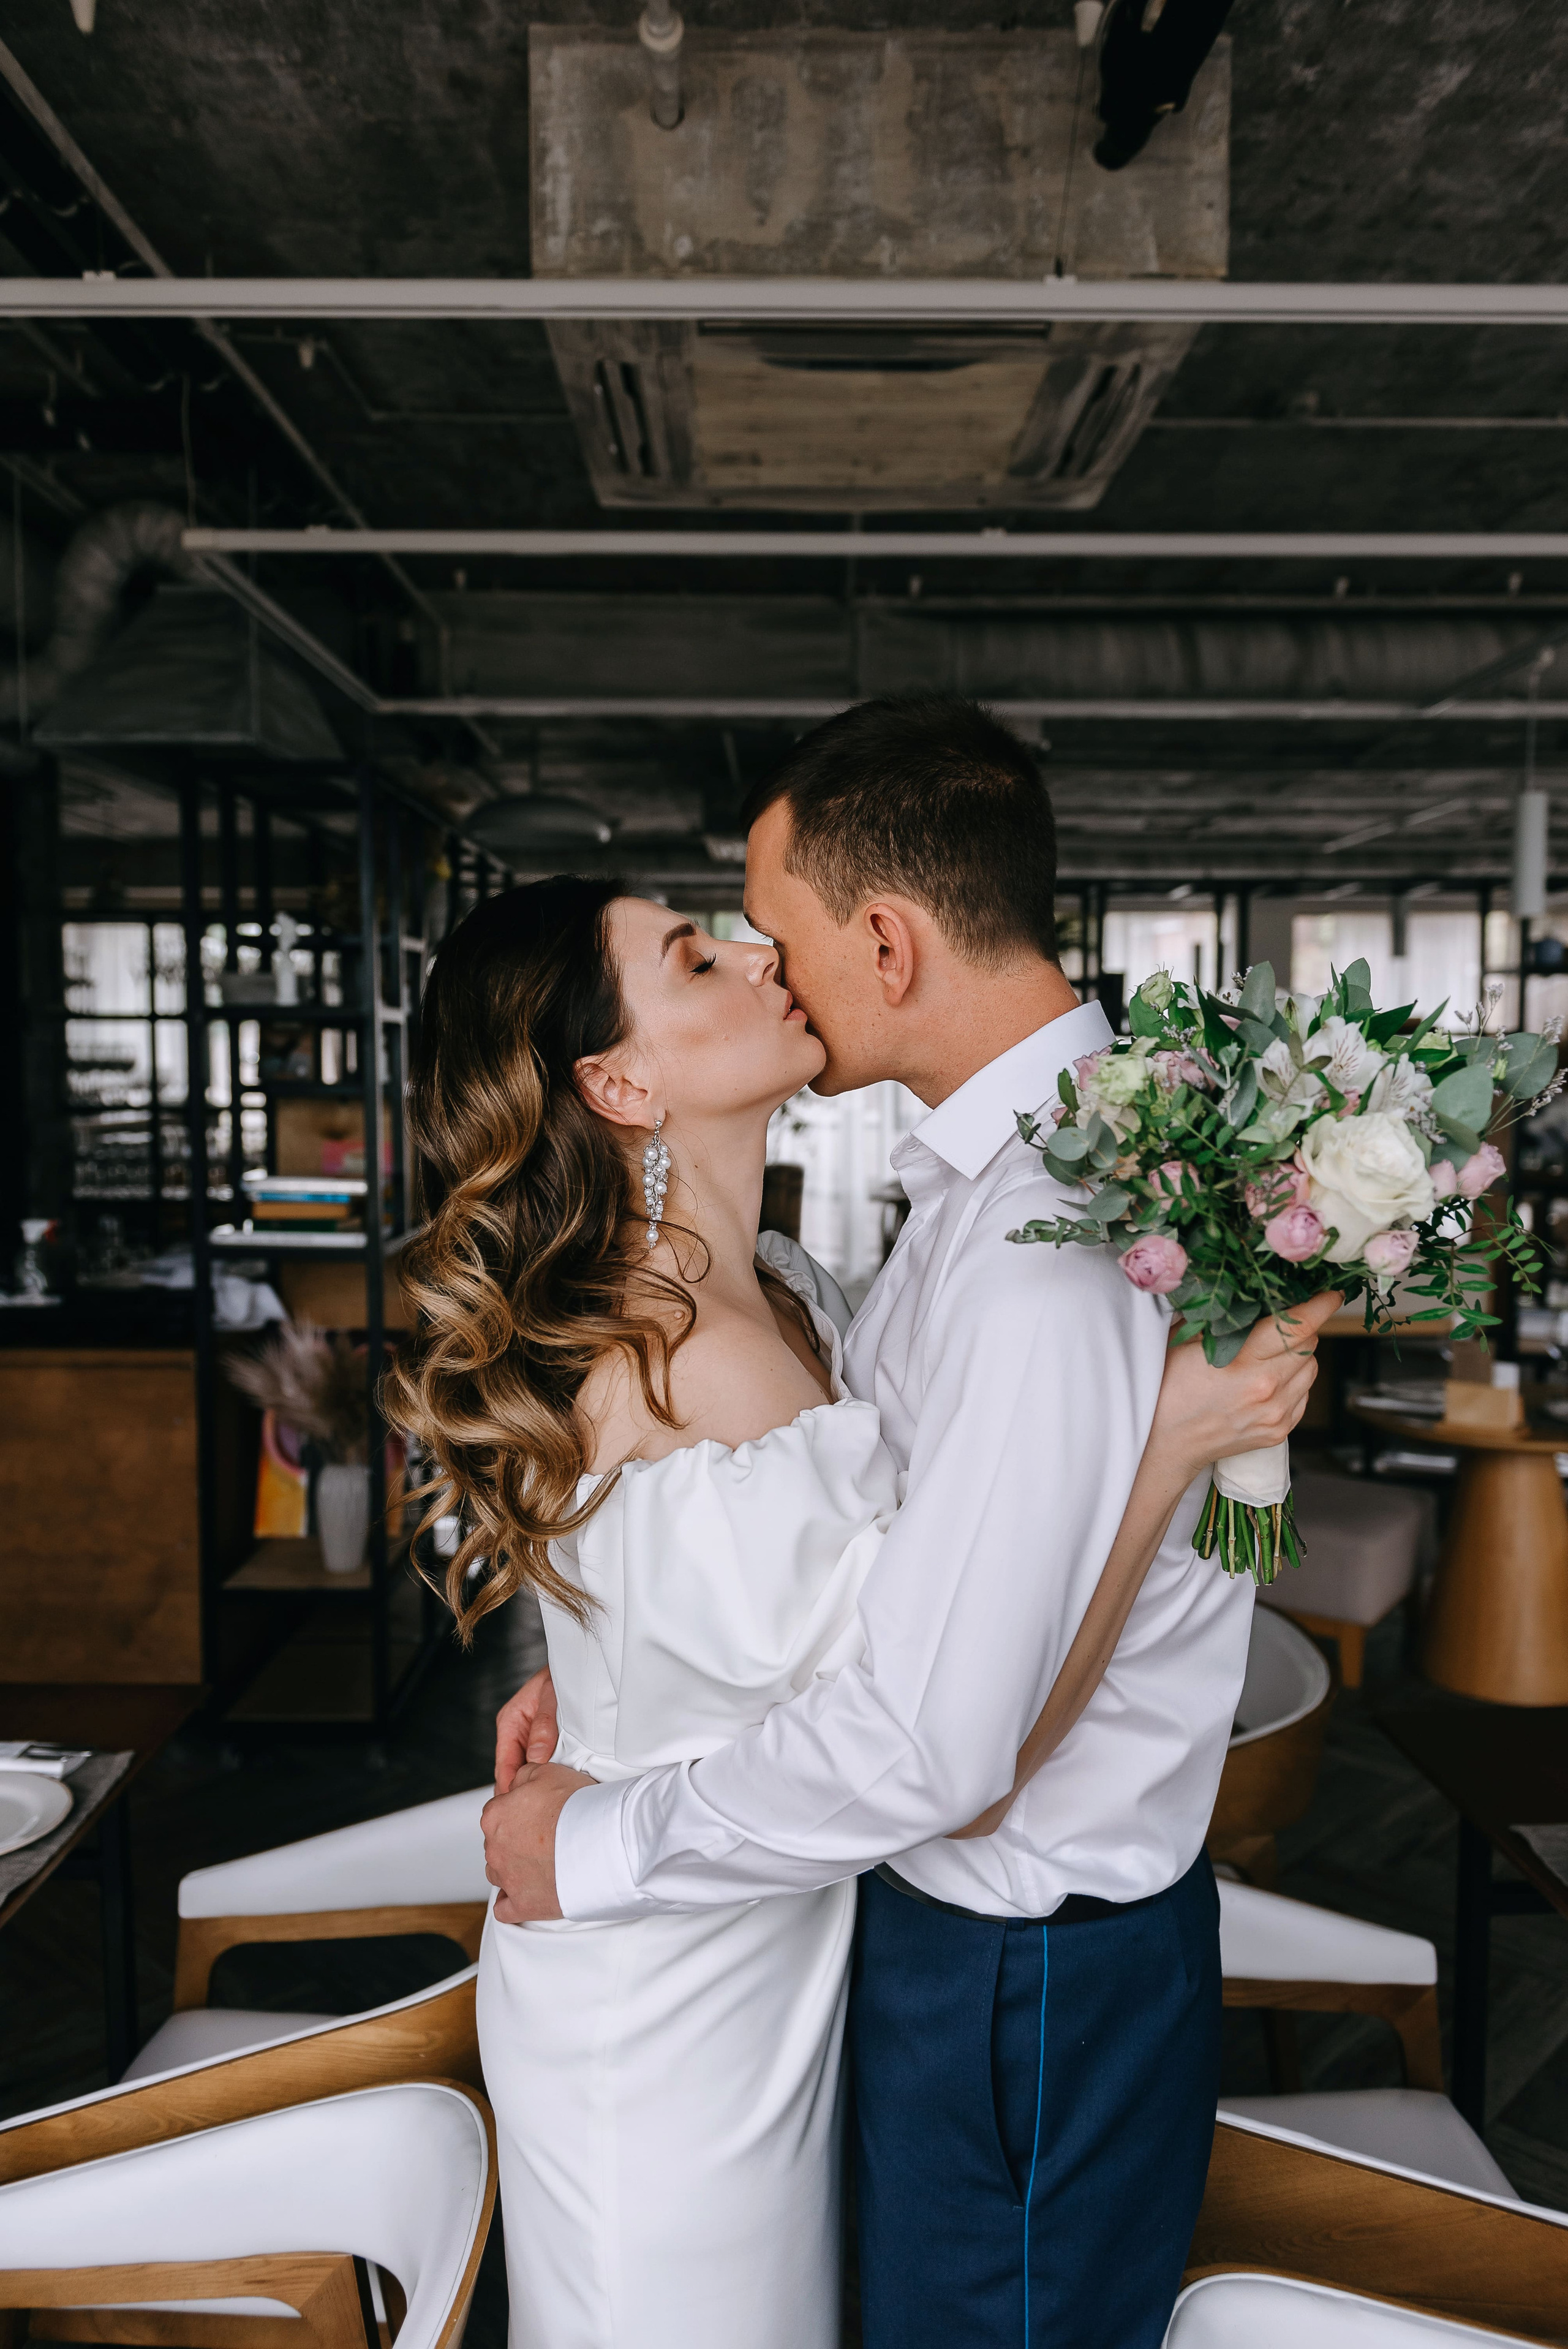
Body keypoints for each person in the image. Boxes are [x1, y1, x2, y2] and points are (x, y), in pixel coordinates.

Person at [418, 700, 1328, 2349]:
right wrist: (613, 1667)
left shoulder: (973, 1242)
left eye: (761, 934)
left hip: (919, 1935)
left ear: (888, 943)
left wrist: (1167, 1460)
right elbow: (815, 1596)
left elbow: (940, 1726)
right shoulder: (944, 1217)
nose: (767, 967)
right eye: (714, 955)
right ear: (617, 1078)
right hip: (716, 1976)